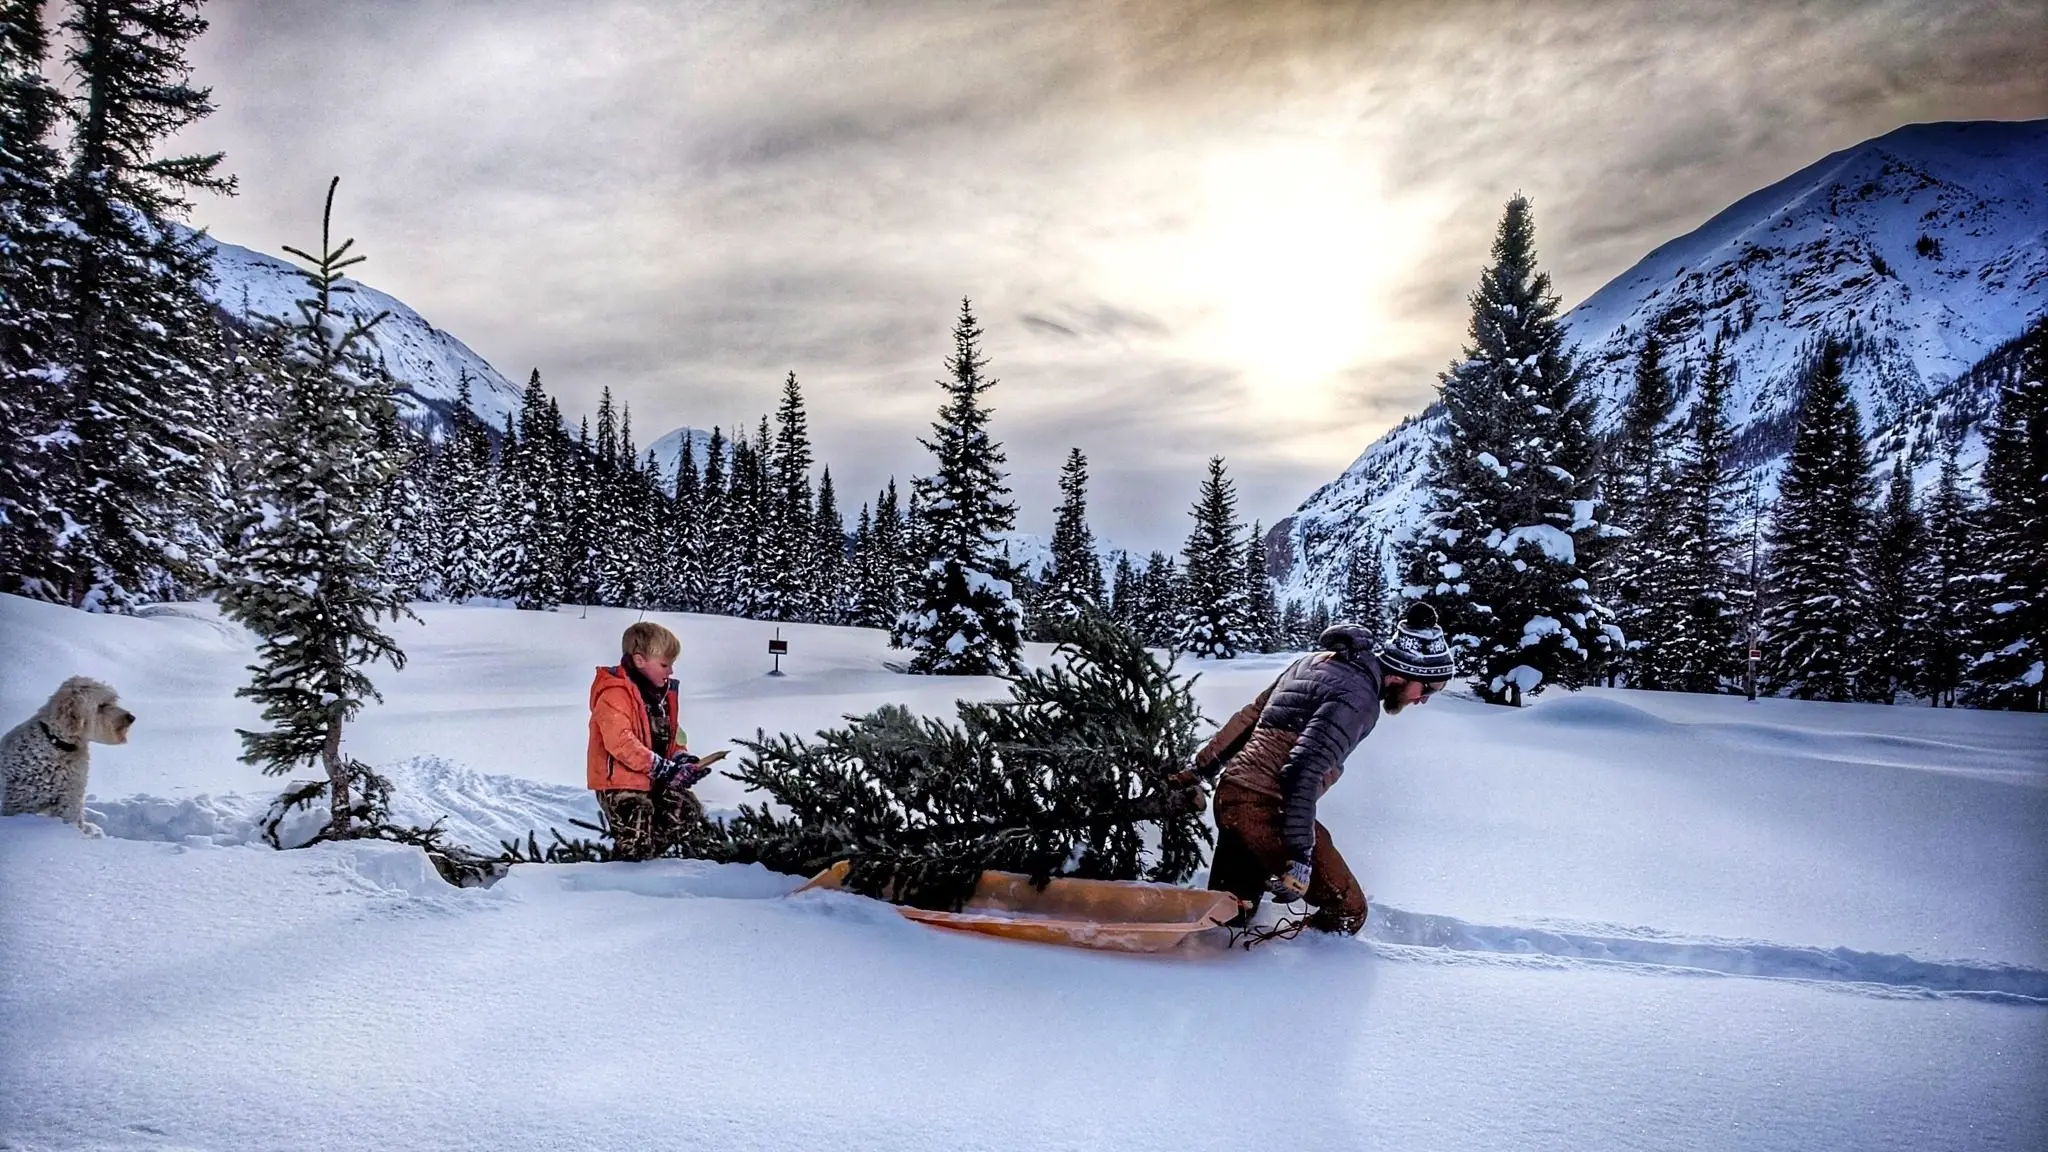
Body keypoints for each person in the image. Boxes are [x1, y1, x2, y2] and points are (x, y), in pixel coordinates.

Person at [1187, 603, 1454, 935]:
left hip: (1232, 798)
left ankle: (1215, 964)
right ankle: (1299, 970)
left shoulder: (1313, 663)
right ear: (1404, 673)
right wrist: (1300, 858)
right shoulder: (1358, 698)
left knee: (1230, 914)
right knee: (1348, 910)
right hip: (1264, 809)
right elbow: (1303, 771)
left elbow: (1250, 718)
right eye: (1429, 688)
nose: (1424, 699)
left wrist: (1198, 770)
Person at [587, 621, 713, 861]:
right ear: (639, 661)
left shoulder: (660, 696)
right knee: (637, 822)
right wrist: (663, 768)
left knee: (686, 808)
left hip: (653, 777)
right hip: (621, 783)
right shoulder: (614, 693)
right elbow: (621, 743)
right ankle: (624, 873)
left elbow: (673, 733)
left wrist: (681, 758)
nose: (671, 672)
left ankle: (647, 863)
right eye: (665, 664)